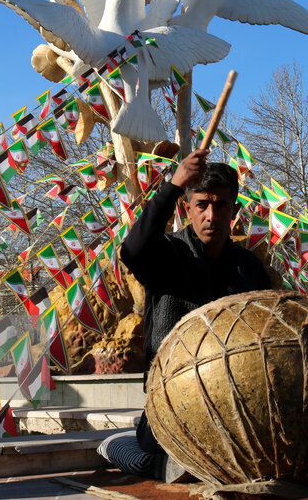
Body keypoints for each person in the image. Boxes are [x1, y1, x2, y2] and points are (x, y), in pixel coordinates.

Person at [100, 149, 272, 480]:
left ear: (234, 211)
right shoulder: (165, 254)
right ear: (187, 209)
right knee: (162, 448)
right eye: (202, 205)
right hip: (172, 404)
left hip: (234, 400)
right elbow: (132, 249)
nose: (211, 215)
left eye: (221, 205)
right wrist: (175, 184)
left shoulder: (249, 268)